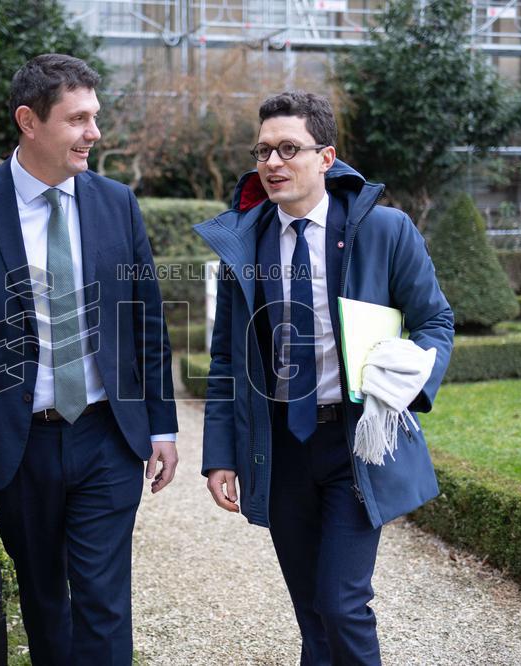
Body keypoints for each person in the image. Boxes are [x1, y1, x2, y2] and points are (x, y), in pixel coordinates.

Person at [0, 53, 179, 665]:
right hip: (18, 444)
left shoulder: (118, 203)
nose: (94, 133)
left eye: (96, 117)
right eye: (78, 119)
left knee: (105, 601)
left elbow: (147, 323)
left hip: (107, 436)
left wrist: (162, 425)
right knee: (43, 599)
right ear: (28, 121)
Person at [194, 91, 454, 665]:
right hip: (280, 446)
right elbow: (225, 362)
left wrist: (414, 375)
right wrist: (220, 455)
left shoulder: (385, 230)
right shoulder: (246, 242)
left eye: (289, 148)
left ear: (326, 156)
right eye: (263, 150)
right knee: (311, 610)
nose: (272, 163)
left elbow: (434, 319)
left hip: (354, 441)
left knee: (341, 603)